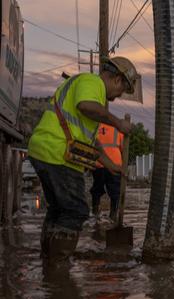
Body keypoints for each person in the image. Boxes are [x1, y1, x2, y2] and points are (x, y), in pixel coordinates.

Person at [27, 56, 139, 265]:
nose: (119, 94)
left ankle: (48, 260)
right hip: (57, 152)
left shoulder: (84, 85)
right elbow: (86, 106)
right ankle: (58, 268)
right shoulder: (92, 82)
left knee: (58, 209)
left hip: (44, 150)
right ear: (116, 79)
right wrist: (118, 124)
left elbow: (92, 142)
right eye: (122, 89)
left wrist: (111, 165)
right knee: (76, 210)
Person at [90, 123, 125, 222]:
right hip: (115, 165)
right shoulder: (117, 128)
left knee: (97, 189)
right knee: (115, 191)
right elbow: (123, 148)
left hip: (98, 164)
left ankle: (95, 213)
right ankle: (113, 215)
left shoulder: (95, 126)